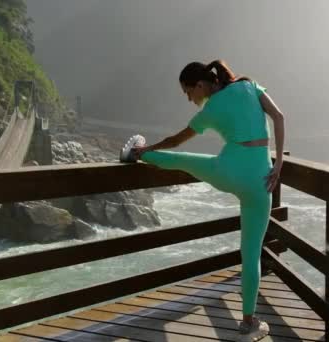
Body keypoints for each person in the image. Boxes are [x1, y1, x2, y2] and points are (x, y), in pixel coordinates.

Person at [121, 59, 285, 342]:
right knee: (251, 255)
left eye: (188, 92)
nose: (189, 98)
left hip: (228, 171)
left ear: (200, 84)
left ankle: (137, 153)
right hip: (262, 180)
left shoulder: (211, 109)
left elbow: (176, 141)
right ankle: (248, 323)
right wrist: (279, 163)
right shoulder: (250, 86)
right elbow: (279, 117)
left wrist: (151, 147)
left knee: (183, 160)